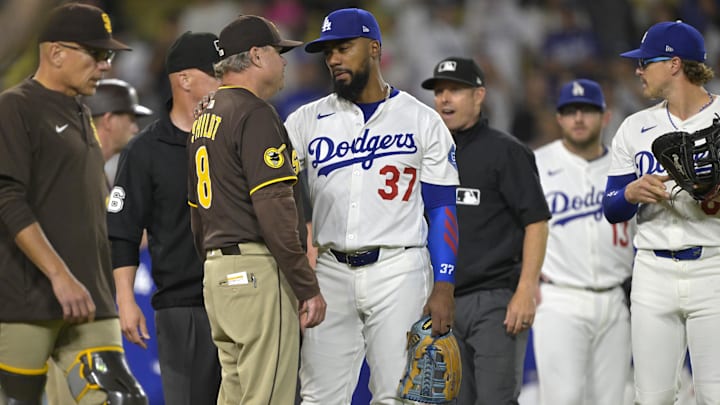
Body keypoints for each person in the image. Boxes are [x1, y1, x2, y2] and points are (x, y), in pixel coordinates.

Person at [285, 8, 460, 404]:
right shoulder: (304, 121)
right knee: (318, 397)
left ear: (374, 48)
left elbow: (442, 208)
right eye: (328, 52)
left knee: (398, 395)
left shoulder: (422, 120)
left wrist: (445, 283)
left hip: (399, 269)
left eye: (343, 48)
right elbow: (275, 193)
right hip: (329, 270)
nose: (333, 59)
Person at [0, 3, 148, 404]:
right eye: (96, 54)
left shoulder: (81, 111)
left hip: (91, 302)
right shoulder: (15, 106)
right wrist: (59, 275)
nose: (105, 65)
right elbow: (7, 198)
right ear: (55, 52)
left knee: (122, 399)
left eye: (109, 56)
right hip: (26, 300)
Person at [187, 15, 326, 405]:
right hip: (256, 272)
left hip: (219, 273)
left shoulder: (205, 117)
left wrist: (217, 265)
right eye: (279, 53)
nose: (285, 62)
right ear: (255, 55)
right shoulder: (254, 113)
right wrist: (305, 284)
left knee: (235, 396)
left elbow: (196, 210)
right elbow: (274, 209)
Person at [603, 20, 720, 403]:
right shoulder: (634, 127)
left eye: (645, 62)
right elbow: (610, 208)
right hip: (653, 271)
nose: (638, 70)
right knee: (651, 397)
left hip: (714, 268)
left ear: (674, 64)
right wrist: (631, 192)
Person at [422, 56, 550, 405]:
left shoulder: (507, 152)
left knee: (495, 400)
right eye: (439, 91)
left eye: (455, 90)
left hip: (493, 300)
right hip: (439, 299)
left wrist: (526, 289)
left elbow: (536, 222)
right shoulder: (426, 155)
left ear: (479, 95)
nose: (444, 99)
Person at [107, 31, 222, 405]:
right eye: (217, 72)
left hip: (246, 297)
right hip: (182, 305)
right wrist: (126, 301)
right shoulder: (145, 150)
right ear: (184, 79)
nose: (227, 80)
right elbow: (122, 231)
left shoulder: (239, 136)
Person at [533, 79, 634, 404]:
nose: (579, 118)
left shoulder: (625, 167)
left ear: (605, 117)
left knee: (611, 399)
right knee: (563, 399)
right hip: (560, 297)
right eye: (570, 111)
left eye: (587, 110)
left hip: (616, 300)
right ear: (559, 118)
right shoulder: (536, 163)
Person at [82, 78, 153, 185]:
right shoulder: (81, 171)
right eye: (131, 120)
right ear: (108, 120)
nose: (136, 129)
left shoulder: (93, 168)